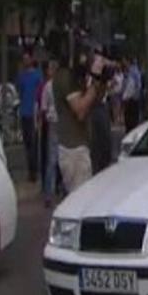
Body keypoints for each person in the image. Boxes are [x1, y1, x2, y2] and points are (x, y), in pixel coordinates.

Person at [54, 53, 107, 193]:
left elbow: (94, 101)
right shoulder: (65, 77)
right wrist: (95, 79)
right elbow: (81, 111)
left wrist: (102, 80)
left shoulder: (76, 77)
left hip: (82, 146)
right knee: (81, 200)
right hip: (73, 150)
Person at [17, 51, 43, 182]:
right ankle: (30, 169)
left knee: (33, 143)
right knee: (27, 144)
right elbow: (20, 92)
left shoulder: (38, 76)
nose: (26, 61)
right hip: (24, 113)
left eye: (28, 59)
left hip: (34, 113)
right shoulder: (21, 76)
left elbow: (41, 94)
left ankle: (34, 171)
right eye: (24, 59)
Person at [38, 60, 60, 207]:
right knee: (63, 157)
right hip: (61, 123)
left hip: (52, 123)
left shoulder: (48, 86)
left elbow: (43, 108)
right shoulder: (60, 86)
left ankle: (49, 194)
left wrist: (41, 122)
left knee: (51, 160)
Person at [121, 57, 142, 131]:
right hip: (130, 100)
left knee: (132, 121)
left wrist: (129, 96)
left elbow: (135, 86)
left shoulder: (133, 72)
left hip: (132, 100)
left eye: (124, 61)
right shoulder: (128, 72)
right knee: (129, 121)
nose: (123, 63)